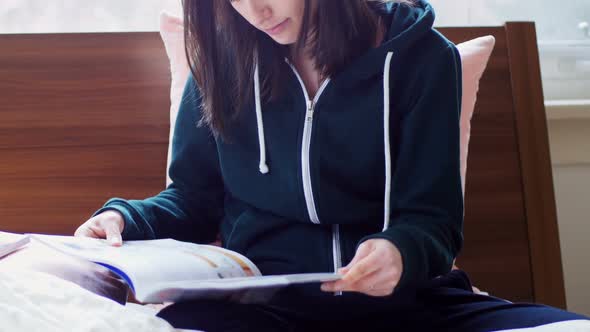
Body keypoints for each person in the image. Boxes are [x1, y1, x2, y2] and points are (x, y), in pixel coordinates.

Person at [75, 0, 589, 331]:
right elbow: (193, 199)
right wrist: (125, 219)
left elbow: (432, 222)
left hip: (411, 308)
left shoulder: (423, 59)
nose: (254, 9)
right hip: (262, 310)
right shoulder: (222, 64)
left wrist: (399, 251)